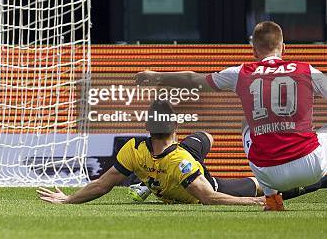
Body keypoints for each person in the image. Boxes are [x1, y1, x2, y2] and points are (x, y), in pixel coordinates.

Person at [135, 21, 327, 211]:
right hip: (310, 167)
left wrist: (157, 76)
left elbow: (195, 80)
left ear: (253, 50)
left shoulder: (241, 72)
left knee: (246, 122)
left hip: (267, 174)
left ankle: (272, 199)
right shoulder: (307, 70)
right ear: (284, 48)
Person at [37, 100, 265, 206]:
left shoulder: (136, 149)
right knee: (256, 183)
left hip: (194, 170)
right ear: (176, 127)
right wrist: (256, 202)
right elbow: (208, 197)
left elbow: (101, 185)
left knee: (206, 139)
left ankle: (150, 181)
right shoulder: (174, 159)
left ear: (146, 127)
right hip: (192, 167)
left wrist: (69, 199)